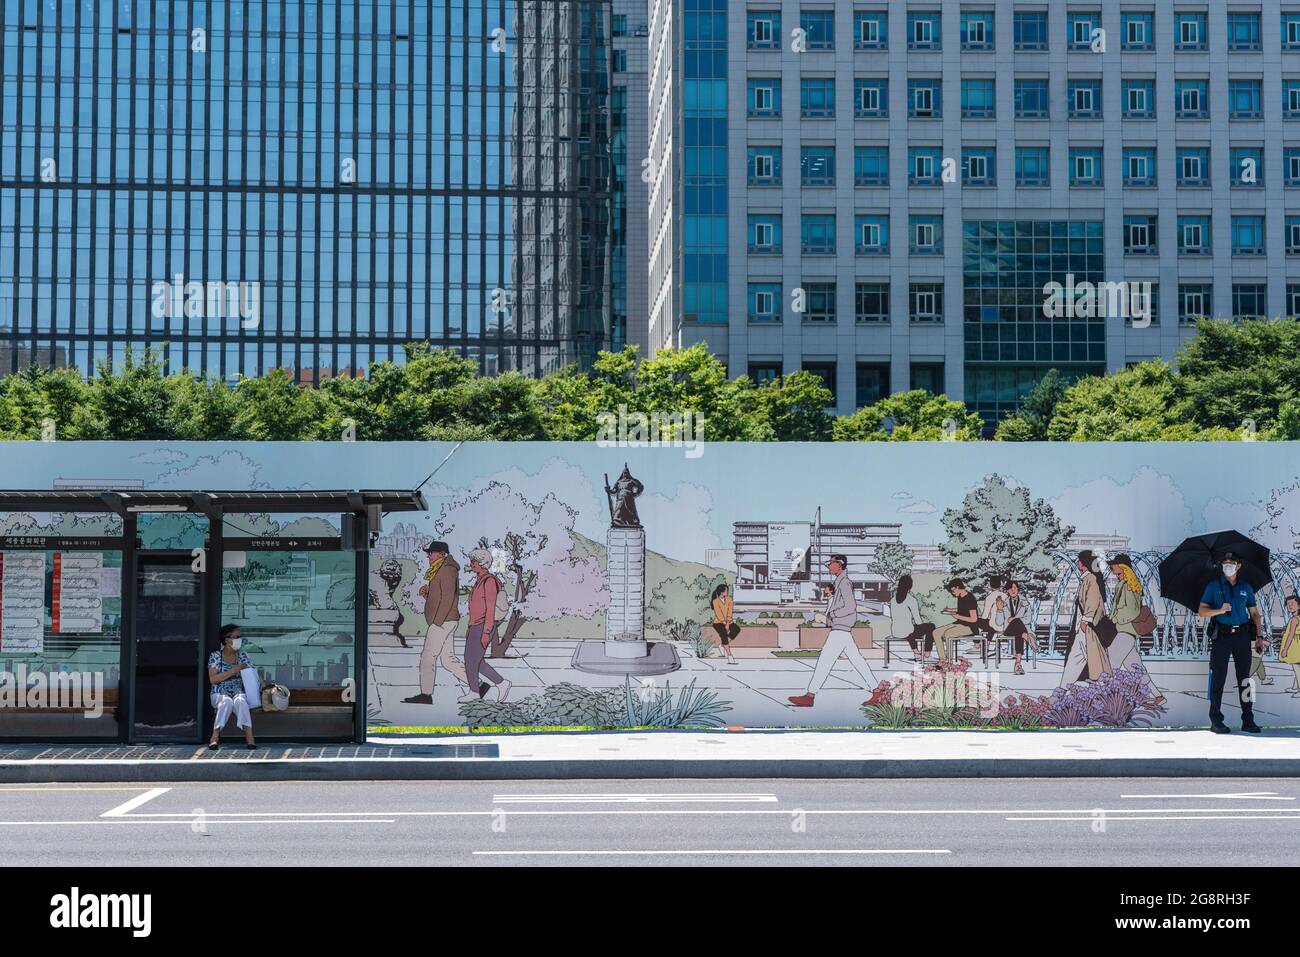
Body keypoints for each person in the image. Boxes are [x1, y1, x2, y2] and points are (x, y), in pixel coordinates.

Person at [788, 554, 877, 707]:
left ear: (840, 565)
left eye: (831, 563)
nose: (828, 566)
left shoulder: (844, 583)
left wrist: (832, 615)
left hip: (840, 628)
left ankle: (810, 696)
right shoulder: (840, 581)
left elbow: (850, 606)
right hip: (840, 628)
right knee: (856, 660)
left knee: (825, 661)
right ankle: (877, 691)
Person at [1198, 550, 1265, 734]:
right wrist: (1219, 610)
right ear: (1221, 566)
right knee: (1218, 678)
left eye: (1232, 563)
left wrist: (1259, 637)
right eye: (1225, 563)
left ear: (1238, 566)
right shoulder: (1213, 586)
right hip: (1222, 637)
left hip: (1242, 637)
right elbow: (1202, 611)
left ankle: (1248, 720)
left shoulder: (1246, 587)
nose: (1228, 566)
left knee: (1245, 679)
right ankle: (1216, 720)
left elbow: (1254, 614)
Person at [403, 541, 474, 705]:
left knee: (428, 657)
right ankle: (478, 685)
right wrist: (428, 595)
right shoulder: (442, 568)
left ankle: (426, 695)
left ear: (442, 554)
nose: (428, 556)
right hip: (447, 620)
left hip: (443, 621)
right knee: (448, 660)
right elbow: (442, 596)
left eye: (431, 553)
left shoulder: (447, 569)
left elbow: (448, 598)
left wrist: (437, 621)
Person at [1105, 555, 1165, 706]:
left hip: (1126, 631)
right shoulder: (1126, 584)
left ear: (1124, 569)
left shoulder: (1127, 586)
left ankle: (1105, 698)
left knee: (1110, 664)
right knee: (1136, 667)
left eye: (1116, 570)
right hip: (1127, 631)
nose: (1113, 572)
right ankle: (1158, 696)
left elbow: (1132, 611)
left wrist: (1115, 619)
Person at [463, 547, 511, 704]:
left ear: (482, 563)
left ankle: (480, 690)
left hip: (483, 625)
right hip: (475, 625)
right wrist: (469, 626)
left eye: (474, 562)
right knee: (475, 660)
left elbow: (490, 608)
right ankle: (499, 684)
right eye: (472, 561)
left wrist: (486, 632)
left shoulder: (489, 581)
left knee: (472, 660)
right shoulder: (479, 580)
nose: (472, 564)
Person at [207, 624, 264, 750]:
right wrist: (234, 670)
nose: (240, 640)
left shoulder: (243, 655)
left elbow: (254, 673)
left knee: (241, 701)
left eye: (240, 636)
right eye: (236, 637)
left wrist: (263, 686)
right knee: (226, 702)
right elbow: (213, 679)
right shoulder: (216, 656)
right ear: (227, 640)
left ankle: (250, 738)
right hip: (219, 693)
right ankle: (215, 737)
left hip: (240, 691)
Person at [1060, 551, 1111, 685]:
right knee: (1077, 659)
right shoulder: (1089, 578)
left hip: (1088, 628)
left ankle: (1061, 691)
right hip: (1085, 627)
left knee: (1083, 659)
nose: (1077, 563)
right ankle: (1062, 691)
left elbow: (1092, 600)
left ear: (1084, 563)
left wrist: (1085, 620)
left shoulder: (1090, 579)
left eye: (1079, 561)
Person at [889, 573, 935, 663]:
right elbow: (918, 621)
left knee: (910, 629)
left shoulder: (893, 600)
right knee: (931, 626)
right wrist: (922, 626)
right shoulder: (911, 599)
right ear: (910, 586)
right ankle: (927, 655)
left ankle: (916, 653)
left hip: (895, 631)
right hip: (907, 631)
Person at [933, 579, 979, 662]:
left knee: (948, 633)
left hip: (969, 627)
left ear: (958, 587)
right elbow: (963, 609)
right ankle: (942, 659)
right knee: (936, 632)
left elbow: (974, 619)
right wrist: (950, 610)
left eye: (953, 590)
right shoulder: (960, 597)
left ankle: (949, 660)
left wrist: (958, 616)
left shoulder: (970, 598)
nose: (952, 593)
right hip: (959, 624)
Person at [1001, 580, 1036, 675]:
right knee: (1017, 623)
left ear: (1018, 589)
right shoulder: (1004, 603)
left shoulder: (1025, 602)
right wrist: (1015, 619)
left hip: (1021, 629)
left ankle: (1018, 664)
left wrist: (1015, 619)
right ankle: (1028, 638)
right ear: (1007, 590)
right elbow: (1005, 620)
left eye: (1015, 588)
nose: (1013, 590)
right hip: (1008, 629)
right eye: (1010, 588)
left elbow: (1028, 619)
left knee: (1019, 633)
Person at [710, 582, 740, 664]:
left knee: (736, 629)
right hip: (718, 622)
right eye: (726, 591)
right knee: (723, 634)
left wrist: (727, 623)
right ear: (721, 592)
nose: (727, 592)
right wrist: (724, 623)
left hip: (728, 621)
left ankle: (723, 645)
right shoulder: (715, 601)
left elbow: (730, 612)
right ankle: (730, 656)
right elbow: (719, 614)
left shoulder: (729, 600)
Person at [1280, 593, 1300, 696]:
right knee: (1297, 668)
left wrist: (1285, 649)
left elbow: (1291, 635)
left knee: (1297, 669)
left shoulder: (1294, 619)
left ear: (1299, 605)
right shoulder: (1297, 618)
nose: (1290, 606)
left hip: (1295, 647)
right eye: (1288, 604)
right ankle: (1295, 687)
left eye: (1292, 603)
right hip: (1297, 646)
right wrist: (1285, 632)